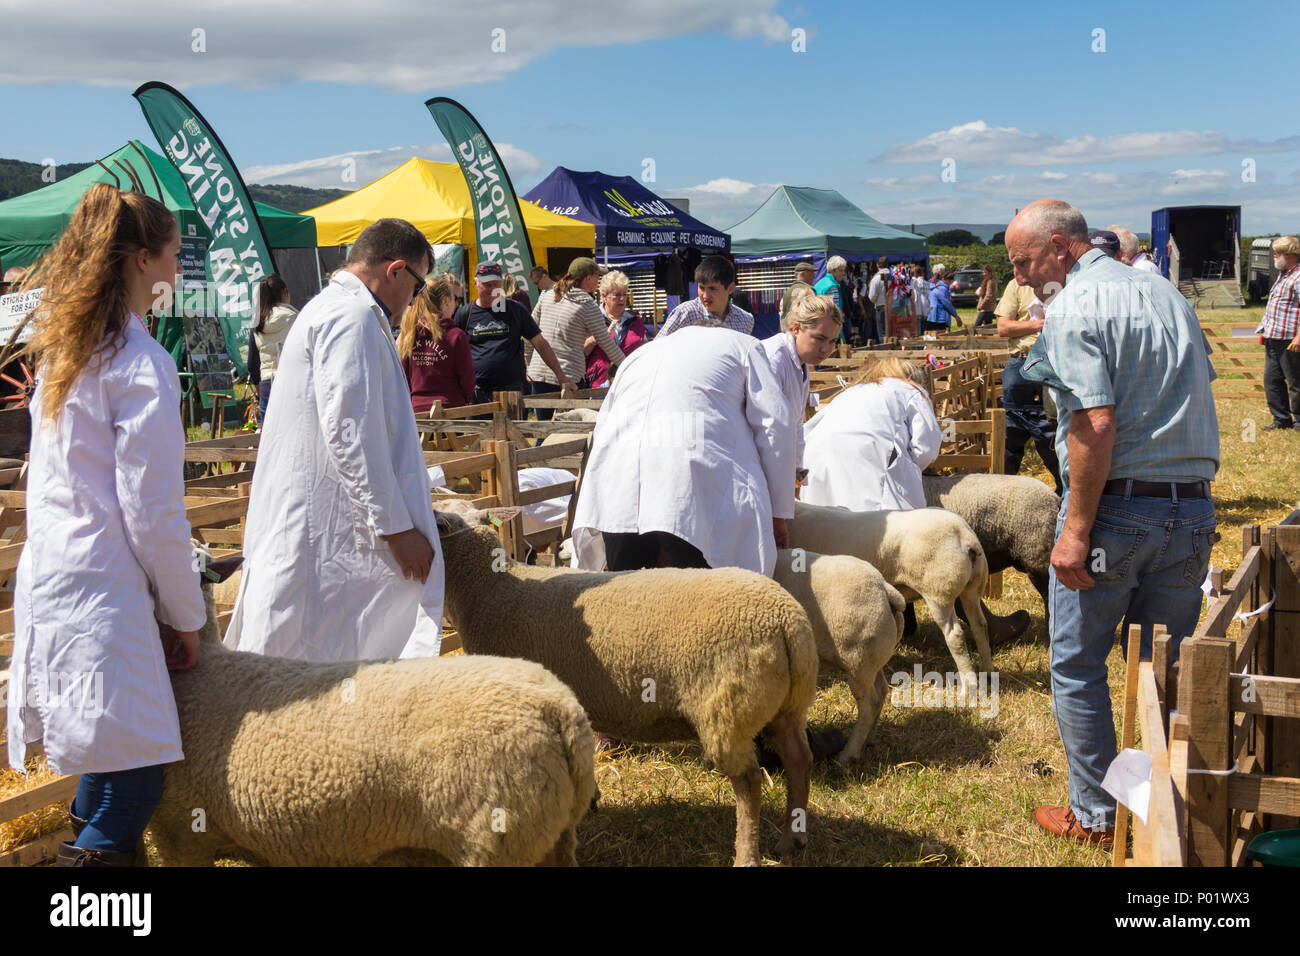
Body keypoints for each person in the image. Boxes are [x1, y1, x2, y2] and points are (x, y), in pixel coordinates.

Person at [1009, 199, 1219, 846]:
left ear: (1060, 247)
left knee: (1077, 662)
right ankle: (1174, 800)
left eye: (1024, 262)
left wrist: (1075, 531)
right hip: (1190, 505)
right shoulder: (1165, 294)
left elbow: (1093, 423)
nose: (1020, 279)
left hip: (1118, 512)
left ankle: (1099, 816)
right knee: (1168, 664)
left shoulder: (1073, 306)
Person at [7, 183, 204, 866]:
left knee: (109, 758)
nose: (179, 272)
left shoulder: (68, 351)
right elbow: (153, 510)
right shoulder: (139, 364)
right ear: (142, 259)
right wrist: (187, 615)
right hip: (104, 587)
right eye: (174, 256)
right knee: (135, 778)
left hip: (57, 576)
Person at [226, 218, 447, 662]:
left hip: (323, 526)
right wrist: (397, 527)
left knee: (311, 652)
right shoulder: (350, 317)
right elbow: (352, 433)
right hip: (324, 533)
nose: (416, 297)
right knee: (310, 657)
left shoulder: (338, 311)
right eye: (419, 285)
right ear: (396, 270)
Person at [571, 322, 796, 576]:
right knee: (707, 603)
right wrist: (779, 513)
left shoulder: (639, 354)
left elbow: (603, 426)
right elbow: (775, 425)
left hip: (619, 487)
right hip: (689, 493)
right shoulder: (744, 345)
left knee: (628, 600)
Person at [802, 358, 941, 510]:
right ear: (910, 377)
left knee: (828, 518)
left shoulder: (852, 391)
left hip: (817, 455)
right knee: (881, 523)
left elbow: (810, 428)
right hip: (869, 456)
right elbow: (926, 446)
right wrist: (907, 468)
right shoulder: (910, 390)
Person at [458, 261, 571, 402]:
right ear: (475, 283)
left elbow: (540, 343)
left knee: (512, 425)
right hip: (477, 391)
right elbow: (455, 351)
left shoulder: (515, 310)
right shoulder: (465, 314)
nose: (493, 289)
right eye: (487, 285)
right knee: (478, 425)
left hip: (511, 391)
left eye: (496, 284)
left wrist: (560, 375)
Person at [759, 294, 842, 486]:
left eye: (832, 341)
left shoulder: (800, 362)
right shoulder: (773, 359)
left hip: (776, 468)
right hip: (759, 467)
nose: (826, 349)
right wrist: (782, 485)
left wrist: (796, 474)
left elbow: (795, 426)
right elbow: (770, 429)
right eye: (820, 339)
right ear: (796, 328)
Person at [528, 257, 623, 418]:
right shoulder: (587, 304)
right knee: (569, 432)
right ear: (588, 278)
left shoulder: (547, 295)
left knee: (543, 430)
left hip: (539, 373)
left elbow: (529, 332)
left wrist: (529, 363)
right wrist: (628, 366)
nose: (598, 281)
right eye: (597, 277)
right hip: (568, 377)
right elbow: (607, 343)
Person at [995, 275, 1063, 493]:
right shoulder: (1017, 285)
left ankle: (1064, 489)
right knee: (1011, 430)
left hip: (1053, 364)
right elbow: (1003, 327)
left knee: (1051, 429)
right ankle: (1002, 491)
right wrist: (1038, 325)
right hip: (1021, 362)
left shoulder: (1065, 280)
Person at [398, 273, 475, 411]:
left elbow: (403, 375)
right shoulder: (455, 336)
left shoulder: (410, 333)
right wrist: (463, 399)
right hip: (451, 410)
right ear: (445, 301)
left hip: (417, 409)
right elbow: (467, 379)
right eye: (454, 299)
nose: (456, 304)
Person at [1259, 235, 1300, 431]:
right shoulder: (1284, 275)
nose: (1274, 256)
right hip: (1273, 336)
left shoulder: (1298, 277)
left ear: (1290, 255)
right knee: (1272, 379)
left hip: (1291, 339)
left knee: (1295, 381)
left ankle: (1299, 421)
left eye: (1278, 253)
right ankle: (1281, 419)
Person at [658, 255, 754, 335]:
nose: (705, 296)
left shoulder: (745, 320)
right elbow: (657, 348)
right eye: (702, 288)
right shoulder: (684, 314)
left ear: (730, 288)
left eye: (712, 289)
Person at [586, 269, 646, 388]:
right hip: (600, 384)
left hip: (631, 383)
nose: (623, 299)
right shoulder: (592, 319)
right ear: (604, 296)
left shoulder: (636, 321)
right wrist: (594, 339)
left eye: (624, 294)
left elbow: (645, 352)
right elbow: (581, 352)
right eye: (617, 295)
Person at [250, 273, 297, 424]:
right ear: (284, 292)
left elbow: (252, 362)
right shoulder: (294, 317)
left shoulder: (257, 323)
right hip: (291, 382)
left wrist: (258, 388)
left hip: (266, 385)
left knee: (268, 439)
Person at [779, 261, 816, 325]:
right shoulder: (808, 291)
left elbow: (782, 315)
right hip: (803, 331)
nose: (814, 277)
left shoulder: (787, 293)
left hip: (789, 331)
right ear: (802, 274)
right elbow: (813, 314)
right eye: (811, 273)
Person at [924, 264, 960, 332]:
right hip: (938, 318)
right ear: (943, 279)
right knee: (942, 338)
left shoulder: (935, 286)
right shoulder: (942, 289)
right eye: (949, 280)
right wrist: (956, 316)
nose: (950, 282)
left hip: (931, 316)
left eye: (951, 280)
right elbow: (947, 304)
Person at [866, 256, 891, 343]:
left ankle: (885, 352)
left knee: (882, 333)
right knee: (892, 332)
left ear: (877, 265)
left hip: (881, 307)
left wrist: (876, 300)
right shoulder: (894, 277)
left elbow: (872, 296)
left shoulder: (875, 279)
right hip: (893, 307)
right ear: (887, 264)